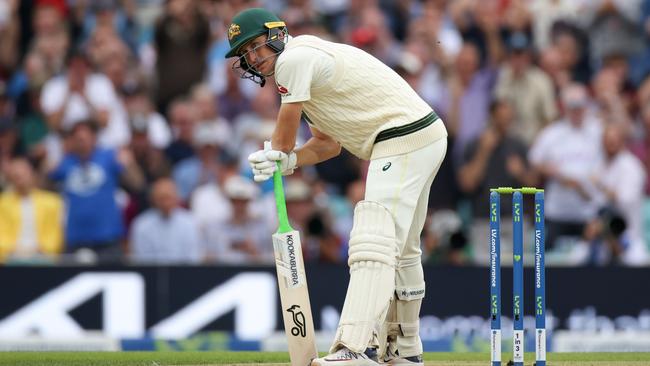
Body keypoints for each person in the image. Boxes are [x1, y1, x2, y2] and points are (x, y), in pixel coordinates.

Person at [226, 8, 448, 365]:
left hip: (401, 137)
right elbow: (328, 144)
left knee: (372, 239)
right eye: (245, 54)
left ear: (276, 34)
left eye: (255, 47)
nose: (252, 58)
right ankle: (405, 350)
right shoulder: (305, 66)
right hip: (421, 136)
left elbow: (284, 132)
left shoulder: (294, 59)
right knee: (402, 250)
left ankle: (355, 347)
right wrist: (291, 160)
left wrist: (278, 154)